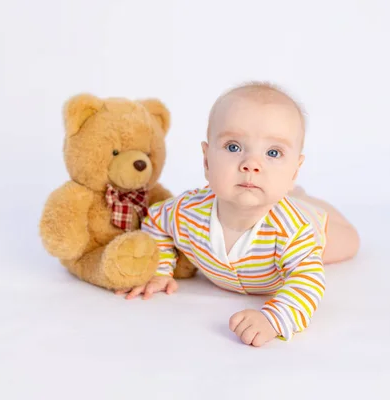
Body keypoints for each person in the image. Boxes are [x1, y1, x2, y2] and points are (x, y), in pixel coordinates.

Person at [115, 81, 360, 346]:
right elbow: (155, 222)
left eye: (273, 152)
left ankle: (303, 200)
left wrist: (274, 319)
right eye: (233, 147)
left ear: (294, 171)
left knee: (350, 242)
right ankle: (294, 194)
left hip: (314, 224)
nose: (251, 165)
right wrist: (161, 268)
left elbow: (308, 282)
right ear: (207, 161)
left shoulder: (295, 232)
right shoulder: (186, 212)